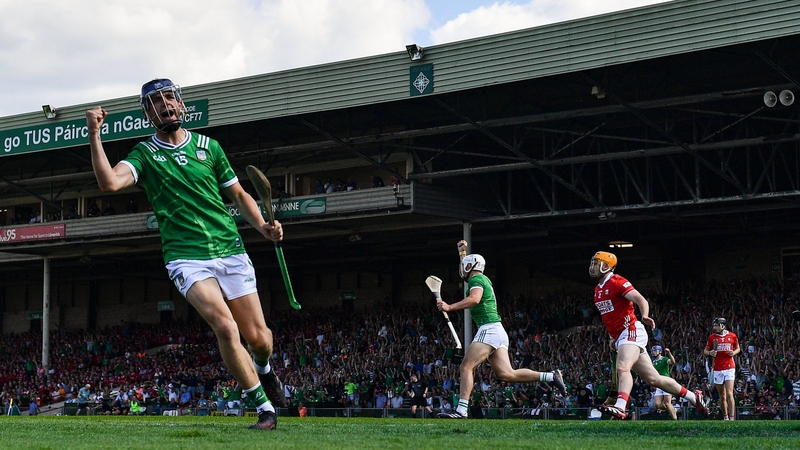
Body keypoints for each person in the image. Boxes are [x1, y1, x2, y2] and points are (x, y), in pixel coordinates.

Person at [86, 78, 286, 430]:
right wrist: (95, 135)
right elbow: (109, 183)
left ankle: (265, 369)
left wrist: (263, 227)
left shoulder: (210, 147)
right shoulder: (145, 154)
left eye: (168, 99)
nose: (164, 106)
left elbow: (239, 195)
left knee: (260, 340)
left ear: (180, 104)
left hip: (230, 249)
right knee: (225, 327)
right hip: (186, 256)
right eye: (154, 104)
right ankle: (264, 408)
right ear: (148, 115)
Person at [437, 240, 566, 419]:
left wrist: (449, 307)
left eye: (464, 264)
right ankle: (550, 376)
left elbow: (474, 299)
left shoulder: (476, 279)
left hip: (488, 328)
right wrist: (462, 252)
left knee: (466, 366)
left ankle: (461, 410)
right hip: (497, 330)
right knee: (507, 374)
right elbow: (469, 268)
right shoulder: (481, 277)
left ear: (470, 266)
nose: (462, 267)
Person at [589, 251, 708, 420]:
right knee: (654, 379)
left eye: (596, 263)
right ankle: (694, 397)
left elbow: (640, 299)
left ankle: (620, 407)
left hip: (631, 330)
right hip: (620, 336)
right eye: (592, 263)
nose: (592, 267)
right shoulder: (597, 289)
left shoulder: (617, 282)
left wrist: (644, 315)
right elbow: (611, 316)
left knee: (623, 367)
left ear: (606, 266)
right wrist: (612, 337)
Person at [704, 317, 740, 420]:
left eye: (716, 325)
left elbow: (738, 348)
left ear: (722, 326)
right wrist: (710, 353)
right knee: (722, 395)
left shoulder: (732, 336)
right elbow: (705, 352)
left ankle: (732, 418)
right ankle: (725, 417)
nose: (714, 327)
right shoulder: (712, 338)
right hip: (717, 368)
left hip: (729, 367)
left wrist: (734, 352)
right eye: (714, 325)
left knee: (729, 393)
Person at [650, 345, 677, 419]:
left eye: (655, 351)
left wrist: (669, 354)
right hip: (659, 384)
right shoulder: (653, 362)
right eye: (652, 351)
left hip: (666, 383)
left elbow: (673, 362)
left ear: (660, 352)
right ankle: (672, 409)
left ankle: (675, 420)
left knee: (667, 403)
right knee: (657, 404)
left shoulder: (664, 359)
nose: (653, 352)